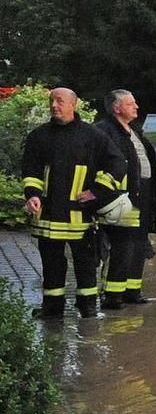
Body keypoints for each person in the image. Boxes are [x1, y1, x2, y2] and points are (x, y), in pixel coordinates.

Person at [20, 87, 125, 319]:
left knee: (86, 265)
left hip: (81, 217)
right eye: (51, 101)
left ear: (73, 104)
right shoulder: (39, 136)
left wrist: (96, 192)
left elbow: (117, 164)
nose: (54, 106)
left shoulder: (93, 136)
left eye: (59, 101)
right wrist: (33, 194)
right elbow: (31, 170)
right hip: (47, 218)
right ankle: (52, 309)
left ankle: (88, 308)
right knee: (51, 265)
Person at [94, 88, 156, 308]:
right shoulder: (104, 131)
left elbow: (140, 158)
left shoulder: (133, 129)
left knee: (138, 243)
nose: (136, 107)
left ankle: (132, 291)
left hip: (142, 195)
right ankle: (112, 295)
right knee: (122, 245)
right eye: (130, 103)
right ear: (117, 108)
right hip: (121, 198)